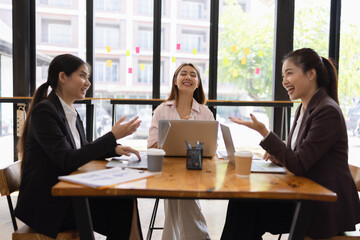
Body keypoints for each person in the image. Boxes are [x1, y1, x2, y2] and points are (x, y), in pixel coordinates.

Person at [221, 48, 360, 239]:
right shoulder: (304, 108)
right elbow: (299, 156)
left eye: (289, 73)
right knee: (243, 204)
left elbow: (300, 164)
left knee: (246, 211)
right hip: (304, 194)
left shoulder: (327, 111)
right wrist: (278, 156)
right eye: (283, 75)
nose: (284, 81)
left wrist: (264, 132)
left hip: (321, 206)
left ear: (311, 74)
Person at [15, 54, 143, 240]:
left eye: (88, 77)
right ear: (62, 77)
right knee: (120, 206)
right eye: (82, 76)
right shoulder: (45, 112)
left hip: (67, 193)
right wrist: (112, 136)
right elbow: (68, 160)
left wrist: (113, 148)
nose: (88, 83)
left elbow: (82, 149)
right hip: (48, 204)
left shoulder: (69, 111)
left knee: (124, 200)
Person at [148, 63, 213, 240]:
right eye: (183, 74)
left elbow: (211, 150)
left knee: (179, 191)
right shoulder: (162, 110)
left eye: (193, 75)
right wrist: (175, 133)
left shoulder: (205, 113)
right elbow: (151, 146)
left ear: (198, 84)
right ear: (175, 81)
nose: (188, 77)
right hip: (166, 169)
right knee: (178, 190)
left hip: (195, 169)